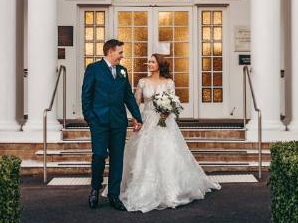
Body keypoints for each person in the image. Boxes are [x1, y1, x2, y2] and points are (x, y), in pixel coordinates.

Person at [115, 53, 220, 213]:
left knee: (168, 153)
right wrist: (135, 120)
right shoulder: (143, 82)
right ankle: (142, 188)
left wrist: (167, 112)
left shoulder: (169, 82)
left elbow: (172, 101)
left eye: (152, 61)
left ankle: (172, 190)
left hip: (165, 122)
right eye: (148, 61)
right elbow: (135, 103)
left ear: (159, 64)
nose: (149, 64)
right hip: (148, 121)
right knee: (144, 154)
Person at [81, 39, 143, 210]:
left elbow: (128, 97)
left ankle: (114, 196)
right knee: (99, 155)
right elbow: (86, 95)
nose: (122, 56)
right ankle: (95, 188)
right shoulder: (93, 69)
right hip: (99, 122)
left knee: (117, 159)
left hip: (118, 122)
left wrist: (137, 117)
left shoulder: (122, 71)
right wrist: (90, 118)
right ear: (110, 52)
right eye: (120, 52)